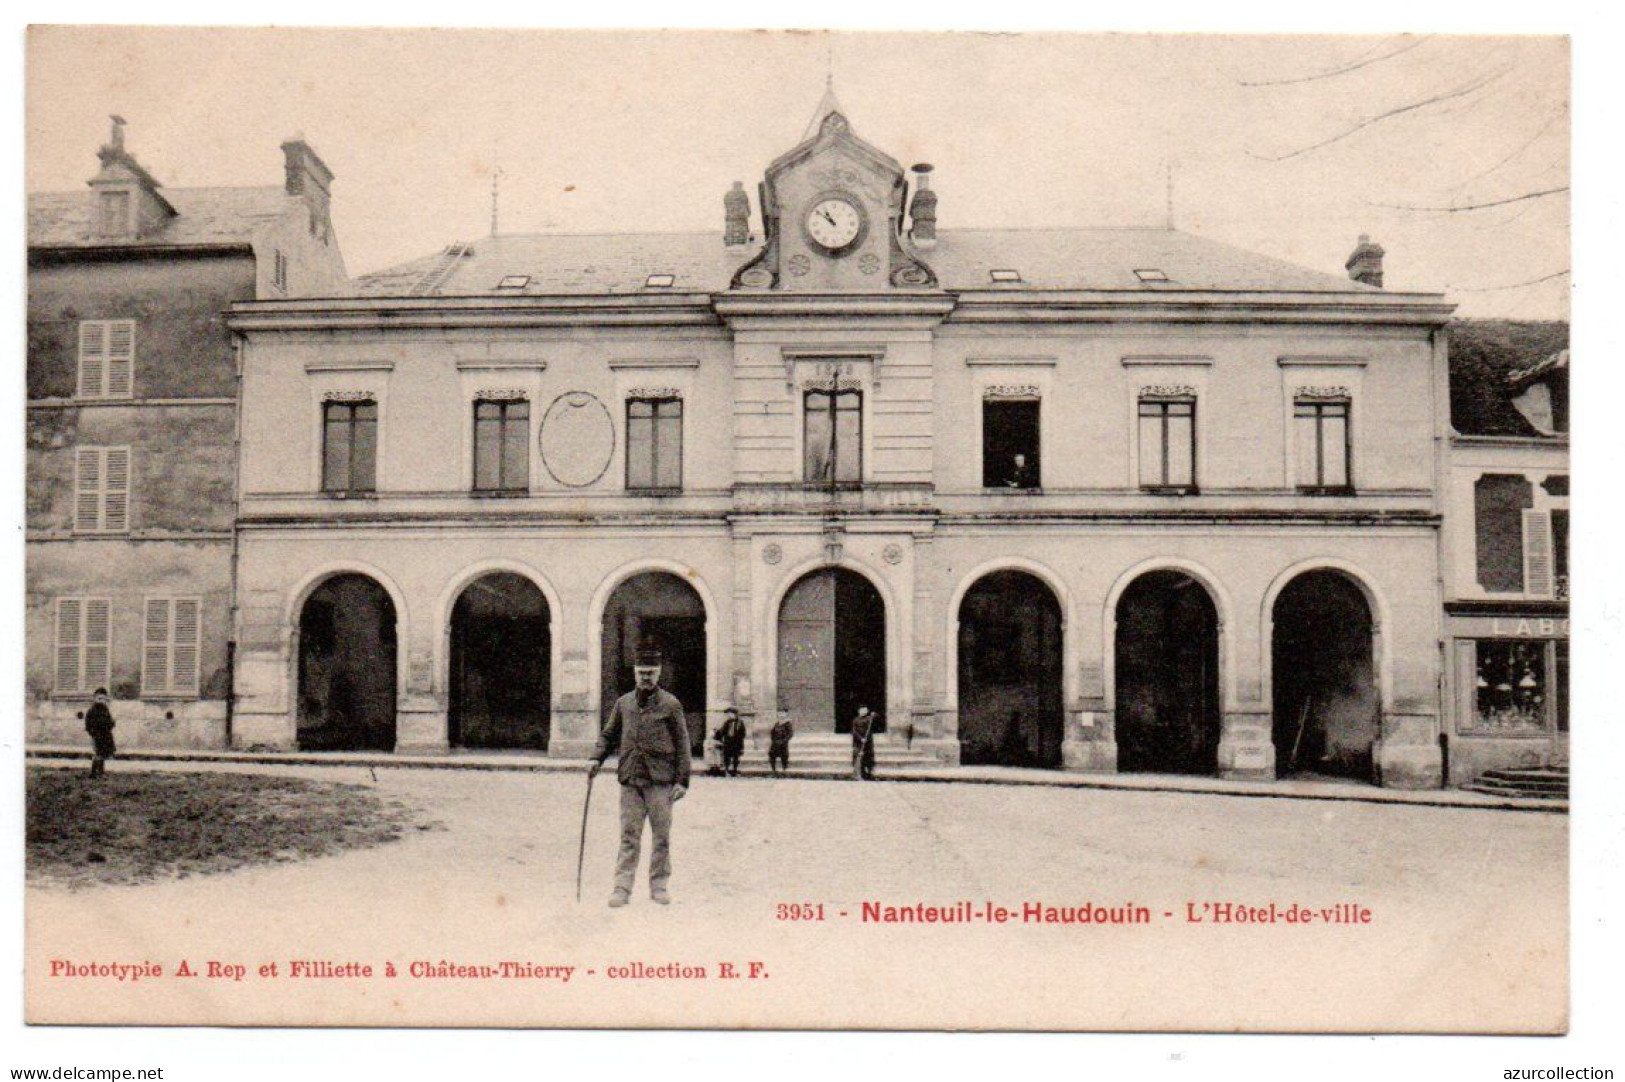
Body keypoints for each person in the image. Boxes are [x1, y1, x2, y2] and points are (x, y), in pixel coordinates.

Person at [589, 647, 691, 908]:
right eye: (642, 672)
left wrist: (682, 781)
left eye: (651, 673)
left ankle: (659, 886)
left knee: (661, 837)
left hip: (661, 782)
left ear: (659, 674)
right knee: (629, 836)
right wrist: (595, 758)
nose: (646, 677)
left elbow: (683, 745)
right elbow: (609, 735)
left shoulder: (671, 705)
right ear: (635, 673)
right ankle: (622, 888)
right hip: (631, 781)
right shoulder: (623, 703)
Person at [84, 688, 115, 779]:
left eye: (103, 698)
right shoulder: (92, 711)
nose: (101, 701)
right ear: (95, 698)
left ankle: (100, 772)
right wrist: (92, 733)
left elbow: (109, 721)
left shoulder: (105, 709)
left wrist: (112, 723)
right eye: (99, 698)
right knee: (98, 753)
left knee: (103, 754)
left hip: (105, 735)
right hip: (96, 735)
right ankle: (94, 773)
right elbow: (88, 724)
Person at [851, 705, 878, 781]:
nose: (864, 712)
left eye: (865, 710)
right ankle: (859, 774)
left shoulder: (868, 719)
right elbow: (854, 731)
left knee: (868, 758)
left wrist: (873, 715)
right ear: (859, 711)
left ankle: (869, 774)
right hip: (858, 743)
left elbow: (875, 719)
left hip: (868, 742)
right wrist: (861, 739)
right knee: (858, 758)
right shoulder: (856, 720)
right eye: (862, 710)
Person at [717, 708, 747, 777]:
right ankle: (726, 771)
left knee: (736, 758)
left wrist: (739, 740)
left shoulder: (740, 723)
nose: (729, 715)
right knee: (727, 757)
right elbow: (722, 731)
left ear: (735, 714)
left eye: (730, 714)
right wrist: (717, 735)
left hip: (736, 743)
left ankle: (734, 771)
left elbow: (743, 733)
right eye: (728, 714)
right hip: (728, 742)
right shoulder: (727, 722)